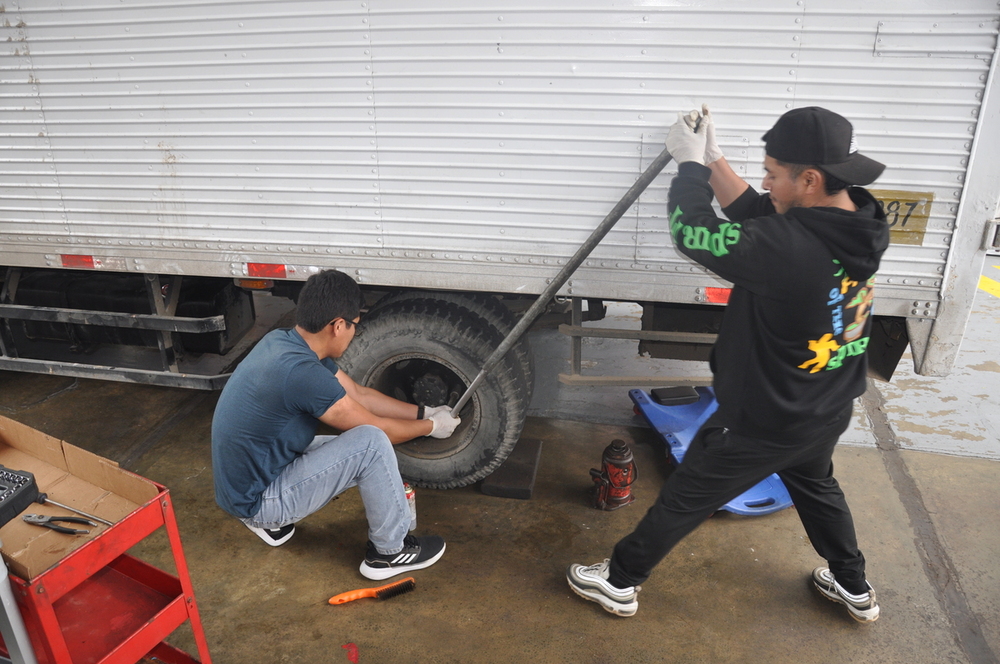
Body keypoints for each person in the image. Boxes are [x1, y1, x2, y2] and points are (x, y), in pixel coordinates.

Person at [567, 105, 890, 622]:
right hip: (826, 402)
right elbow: (762, 215)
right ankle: (853, 586)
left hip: (766, 415)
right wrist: (713, 158)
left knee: (688, 494)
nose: (764, 182)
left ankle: (619, 580)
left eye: (771, 173)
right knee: (816, 486)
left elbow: (693, 231)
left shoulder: (789, 247)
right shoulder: (858, 222)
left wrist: (689, 168)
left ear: (809, 180)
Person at [212, 269, 461, 580]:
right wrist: (432, 428)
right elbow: (376, 429)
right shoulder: (303, 374)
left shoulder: (285, 342)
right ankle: (389, 553)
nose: (354, 332)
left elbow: (358, 394)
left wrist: (424, 412)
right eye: (355, 324)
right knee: (372, 445)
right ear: (338, 325)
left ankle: (269, 521)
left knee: (367, 444)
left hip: (248, 480)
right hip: (258, 500)